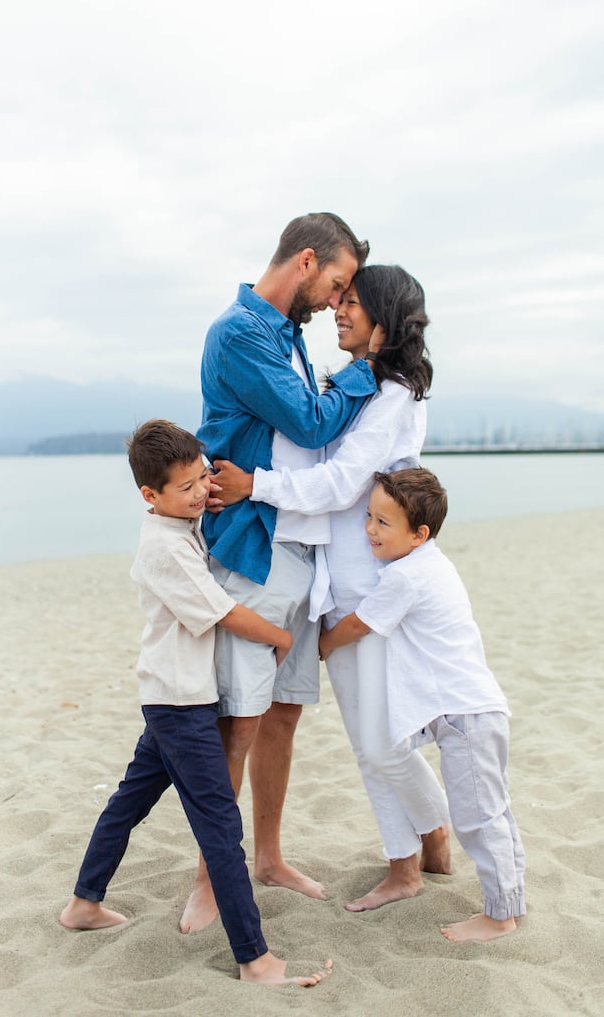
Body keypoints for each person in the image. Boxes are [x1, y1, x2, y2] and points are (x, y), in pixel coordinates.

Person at [211, 265, 452, 913]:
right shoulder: (362, 385)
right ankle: (422, 843)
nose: (339, 311)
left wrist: (255, 485)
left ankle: (414, 852)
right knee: (371, 737)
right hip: (337, 586)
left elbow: (344, 483)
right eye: (339, 299)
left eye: (353, 302)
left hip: (372, 587)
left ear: (384, 319)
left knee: (380, 740)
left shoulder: (394, 392)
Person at [59, 420, 332, 987]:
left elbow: (202, 507)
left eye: (201, 478)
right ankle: (255, 959)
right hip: (181, 706)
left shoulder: (181, 524)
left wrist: (204, 496)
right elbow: (225, 612)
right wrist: (281, 637)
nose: (199, 492)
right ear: (149, 495)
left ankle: (84, 903)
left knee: (128, 803)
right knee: (219, 827)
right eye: (184, 488)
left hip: (171, 696)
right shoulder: (164, 550)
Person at [182, 212, 379, 933]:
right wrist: (370, 364)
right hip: (254, 550)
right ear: (306, 261)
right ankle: (211, 878)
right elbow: (312, 423)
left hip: (302, 551)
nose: (336, 301)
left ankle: (266, 857)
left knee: (282, 714)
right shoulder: (239, 333)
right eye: (336, 283)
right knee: (237, 719)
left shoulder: (287, 335)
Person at [319, 468, 527, 943]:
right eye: (368, 516)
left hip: (464, 715)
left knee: (479, 819)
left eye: (383, 523)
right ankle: (511, 901)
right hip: (471, 709)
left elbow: (359, 624)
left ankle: (499, 916)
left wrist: (323, 644)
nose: (369, 530)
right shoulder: (432, 564)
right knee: (495, 813)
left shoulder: (406, 576)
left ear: (419, 534)